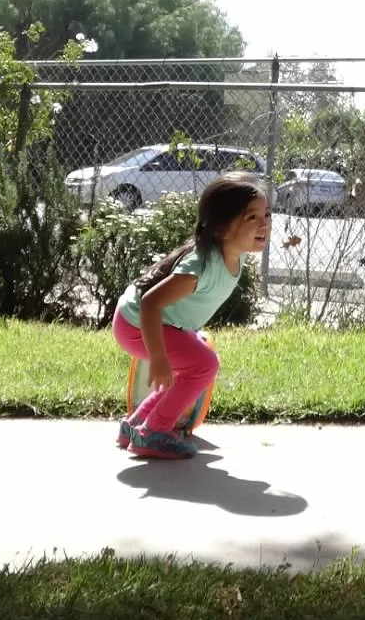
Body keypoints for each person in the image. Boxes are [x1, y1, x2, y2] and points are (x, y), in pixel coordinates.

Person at [112, 172, 270, 460]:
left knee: (195, 365)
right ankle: (153, 433)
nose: (264, 224)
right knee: (203, 365)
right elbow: (150, 303)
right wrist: (159, 359)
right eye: (252, 218)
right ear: (222, 229)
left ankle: (135, 426)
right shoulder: (200, 268)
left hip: (155, 322)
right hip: (137, 323)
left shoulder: (235, 252)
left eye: (266, 215)